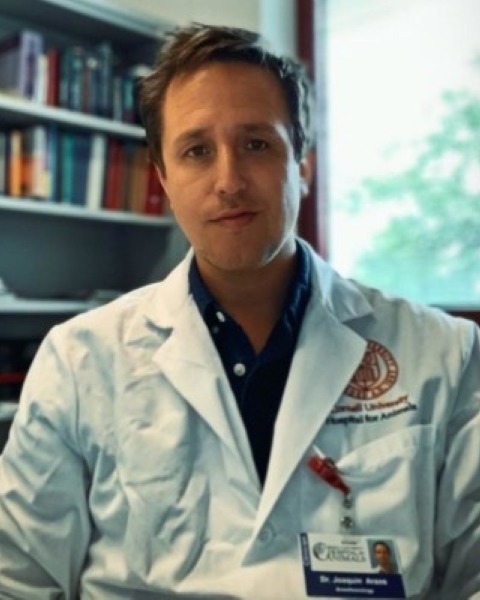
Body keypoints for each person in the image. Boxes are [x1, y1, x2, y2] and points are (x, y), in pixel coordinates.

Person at [0, 23, 479, 600]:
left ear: (302, 163)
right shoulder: (78, 361)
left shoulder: (444, 353)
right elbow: (19, 579)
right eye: (196, 151)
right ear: (164, 178)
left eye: (256, 144)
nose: (228, 181)